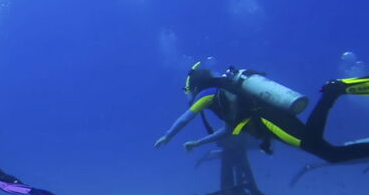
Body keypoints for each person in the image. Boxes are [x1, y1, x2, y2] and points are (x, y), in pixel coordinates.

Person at [154, 63, 369, 163]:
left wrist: (168, 136)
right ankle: (333, 92)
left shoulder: (208, 94)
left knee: (319, 147)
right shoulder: (221, 98)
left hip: (269, 120)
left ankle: (333, 91)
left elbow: (186, 118)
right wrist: (198, 143)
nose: (187, 95)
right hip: (269, 120)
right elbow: (227, 129)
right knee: (327, 152)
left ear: (194, 86)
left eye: (186, 90)